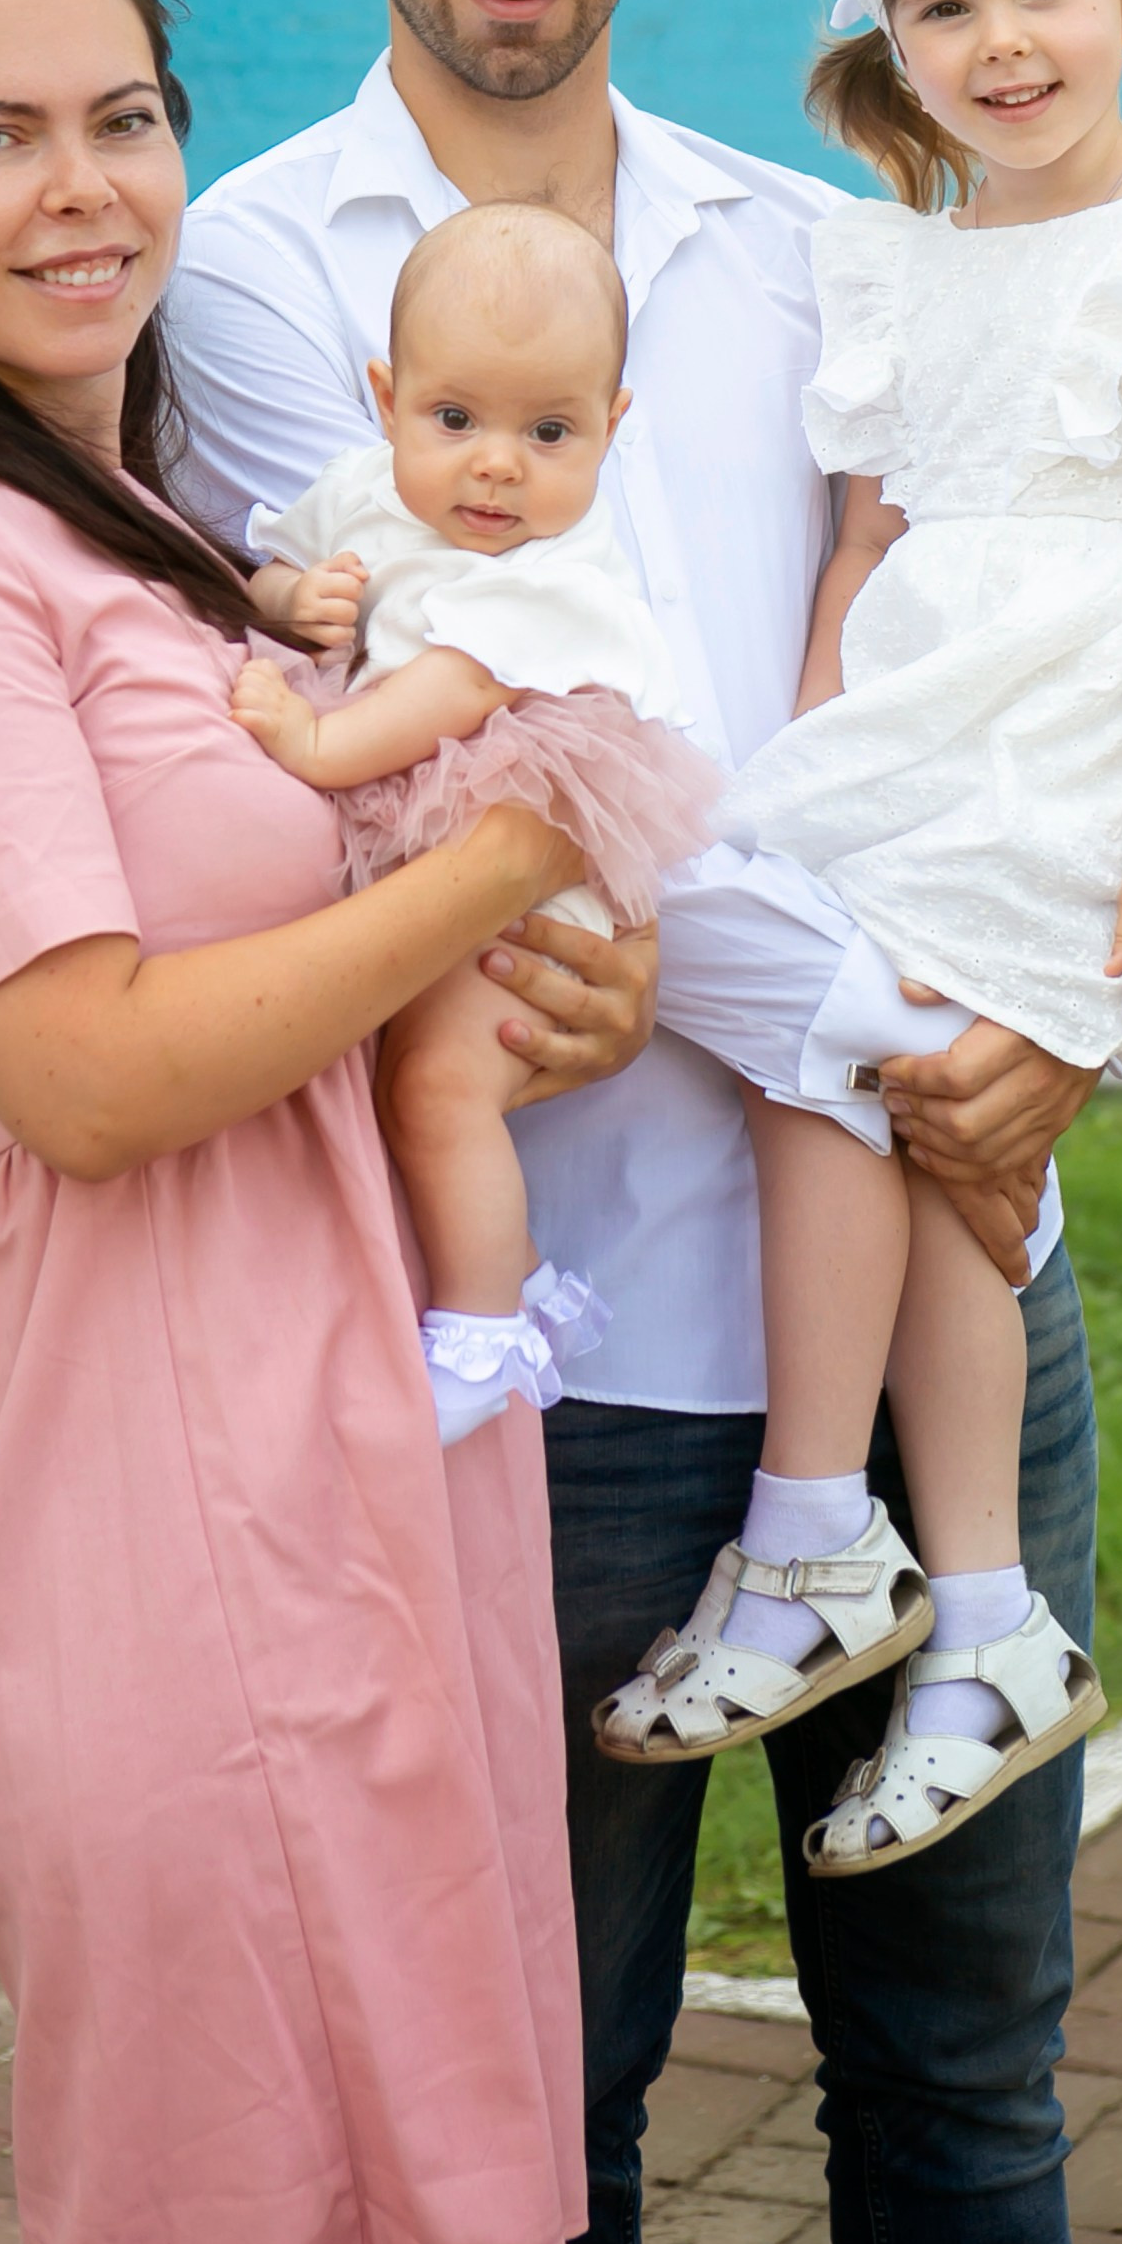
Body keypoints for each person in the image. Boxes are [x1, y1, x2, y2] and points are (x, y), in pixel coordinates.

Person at [166, 0, 1104, 2244]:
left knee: (961, 2092)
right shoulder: (250, 280)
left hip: (943, 1268)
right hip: (549, 1357)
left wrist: (1053, 1024)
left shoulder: (823, 257)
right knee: (526, 2129)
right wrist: (540, 917)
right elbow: (454, 739)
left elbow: (991, 692)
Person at [0, 0, 660, 2244]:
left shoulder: (153, 527)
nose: (83, 186)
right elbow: (81, 1073)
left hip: (344, 1422)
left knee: (402, 2171)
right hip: (138, 1460)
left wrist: (516, 982)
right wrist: (504, 864)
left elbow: (297, 940)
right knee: (236, 2199)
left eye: (126, 119)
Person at [600, 0, 1122, 1876]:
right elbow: (867, 529)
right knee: (869, 1088)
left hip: (1084, 746)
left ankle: (821, 1536)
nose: (1001, 37)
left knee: (884, 1080)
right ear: (889, 44)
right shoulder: (900, 265)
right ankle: (975, 1611)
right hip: (915, 730)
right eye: (946, 2)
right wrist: (823, 733)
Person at [232, 199, 717, 1440]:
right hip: (431, 858)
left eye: (548, 431)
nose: (497, 464)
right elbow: (264, 568)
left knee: (440, 1089)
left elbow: (458, 686)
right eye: (454, 421)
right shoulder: (362, 493)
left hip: (528, 877)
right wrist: (303, 596)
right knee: (389, 1081)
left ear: (610, 429)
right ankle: (517, 1293)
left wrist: (316, 741)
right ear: (387, 398)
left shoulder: (565, 573)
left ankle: (484, 1328)